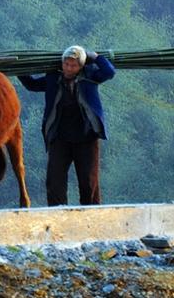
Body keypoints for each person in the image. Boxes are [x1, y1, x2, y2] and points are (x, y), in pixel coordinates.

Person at [18, 45, 116, 206]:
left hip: (86, 137)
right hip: (60, 138)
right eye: (66, 64)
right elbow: (32, 85)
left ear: (81, 66)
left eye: (74, 65)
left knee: (88, 183)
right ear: (62, 64)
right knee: (54, 182)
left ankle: (90, 216)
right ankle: (57, 214)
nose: (69, 68)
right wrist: (19, 68)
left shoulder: (90, 76)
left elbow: (109, 72)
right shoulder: (53, 79)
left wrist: (97, 57)